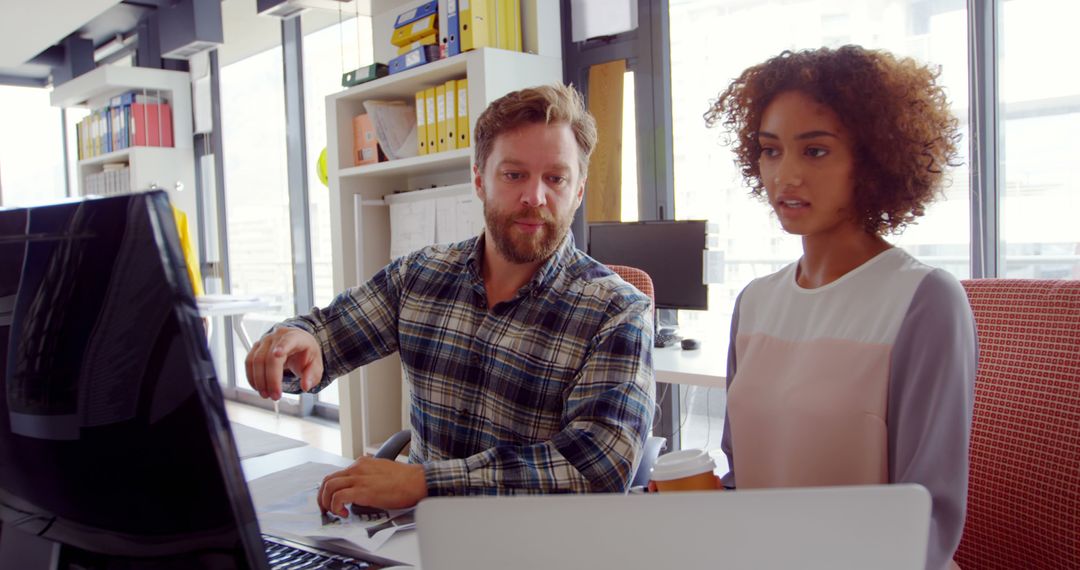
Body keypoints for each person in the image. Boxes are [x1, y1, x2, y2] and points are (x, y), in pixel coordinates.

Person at [245, 83, 655, 515]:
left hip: (534, 546)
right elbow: (329, 334)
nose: (534, 197)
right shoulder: (420, 276)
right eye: (514, 174)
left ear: (578, 191)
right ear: (479, 179)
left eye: (555, 178)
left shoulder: (617, 311)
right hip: (411, 541)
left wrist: (425, 483)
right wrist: (298, 342)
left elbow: (596, 468)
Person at [704, 46, 976, 570]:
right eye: (770, 150)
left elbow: (926, 521)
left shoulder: (924, 301)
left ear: (872, 160)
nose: (785, 176)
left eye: (816, 151)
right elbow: (742, 477)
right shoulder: (755, 303)